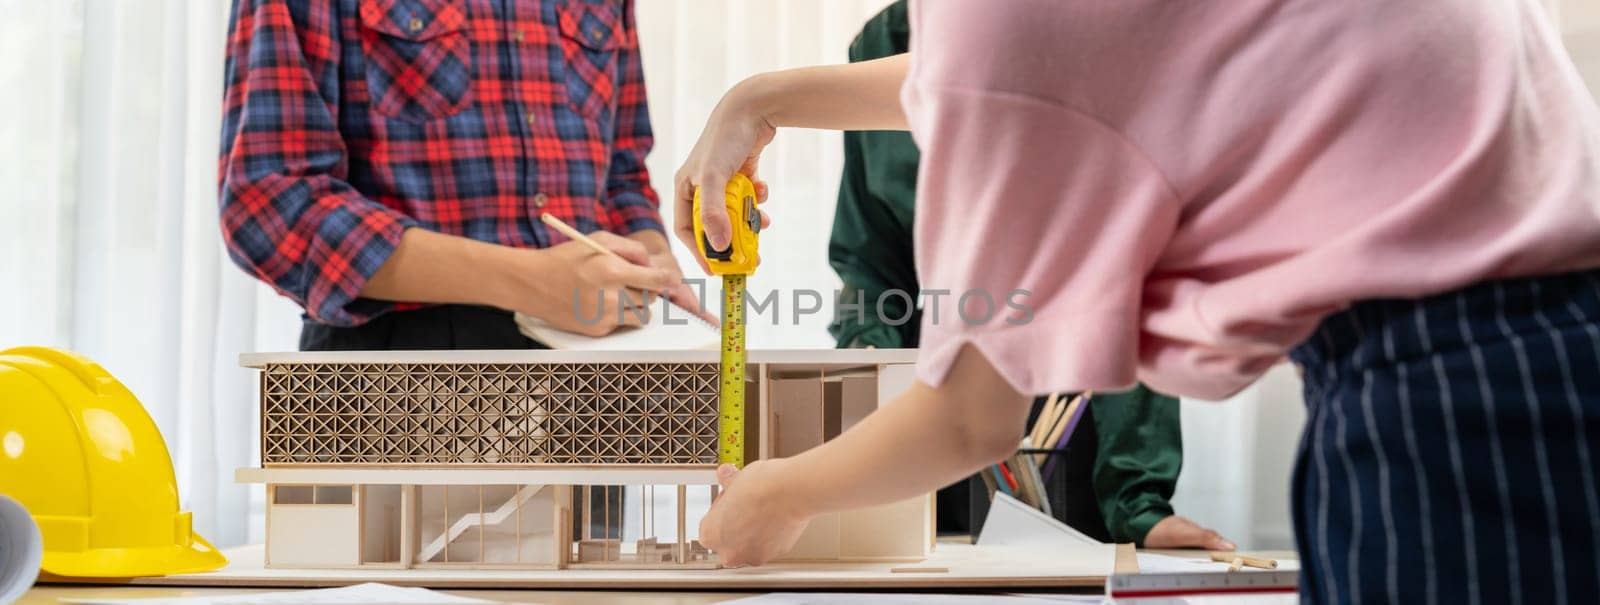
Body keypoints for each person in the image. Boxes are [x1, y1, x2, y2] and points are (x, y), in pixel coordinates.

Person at [675, 1, 1600, 602]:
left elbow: (968, 419)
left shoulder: (1008, 26)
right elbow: (1028, 71)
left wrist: (778, 492)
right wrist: (767, 97)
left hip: (1463, 407)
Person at [828, 1, 1229, 551]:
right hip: (927, 410)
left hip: (1070, 407)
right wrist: (874, 395)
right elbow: (870, 263)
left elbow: (1131, 272)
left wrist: (1137, 504)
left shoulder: (1070, 26)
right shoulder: (878, 42)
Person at [218, 0, 708, 352]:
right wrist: (530, 281)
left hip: (590, 377)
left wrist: (650, 259)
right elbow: (270, 200)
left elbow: (620, 171)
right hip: (391, 372)